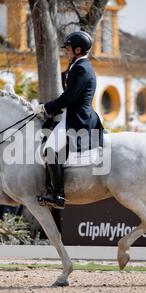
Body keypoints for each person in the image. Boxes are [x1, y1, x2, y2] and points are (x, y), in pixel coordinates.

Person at [36, 30, 104, 209]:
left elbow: (70, 97)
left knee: (50, 149)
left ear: (78, 50)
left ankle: (58, 194)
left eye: (68, 48)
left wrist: (47, 107)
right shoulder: (77, 65)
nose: (65, 51)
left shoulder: (81, 68)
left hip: (78, 118)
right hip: (72, 114)